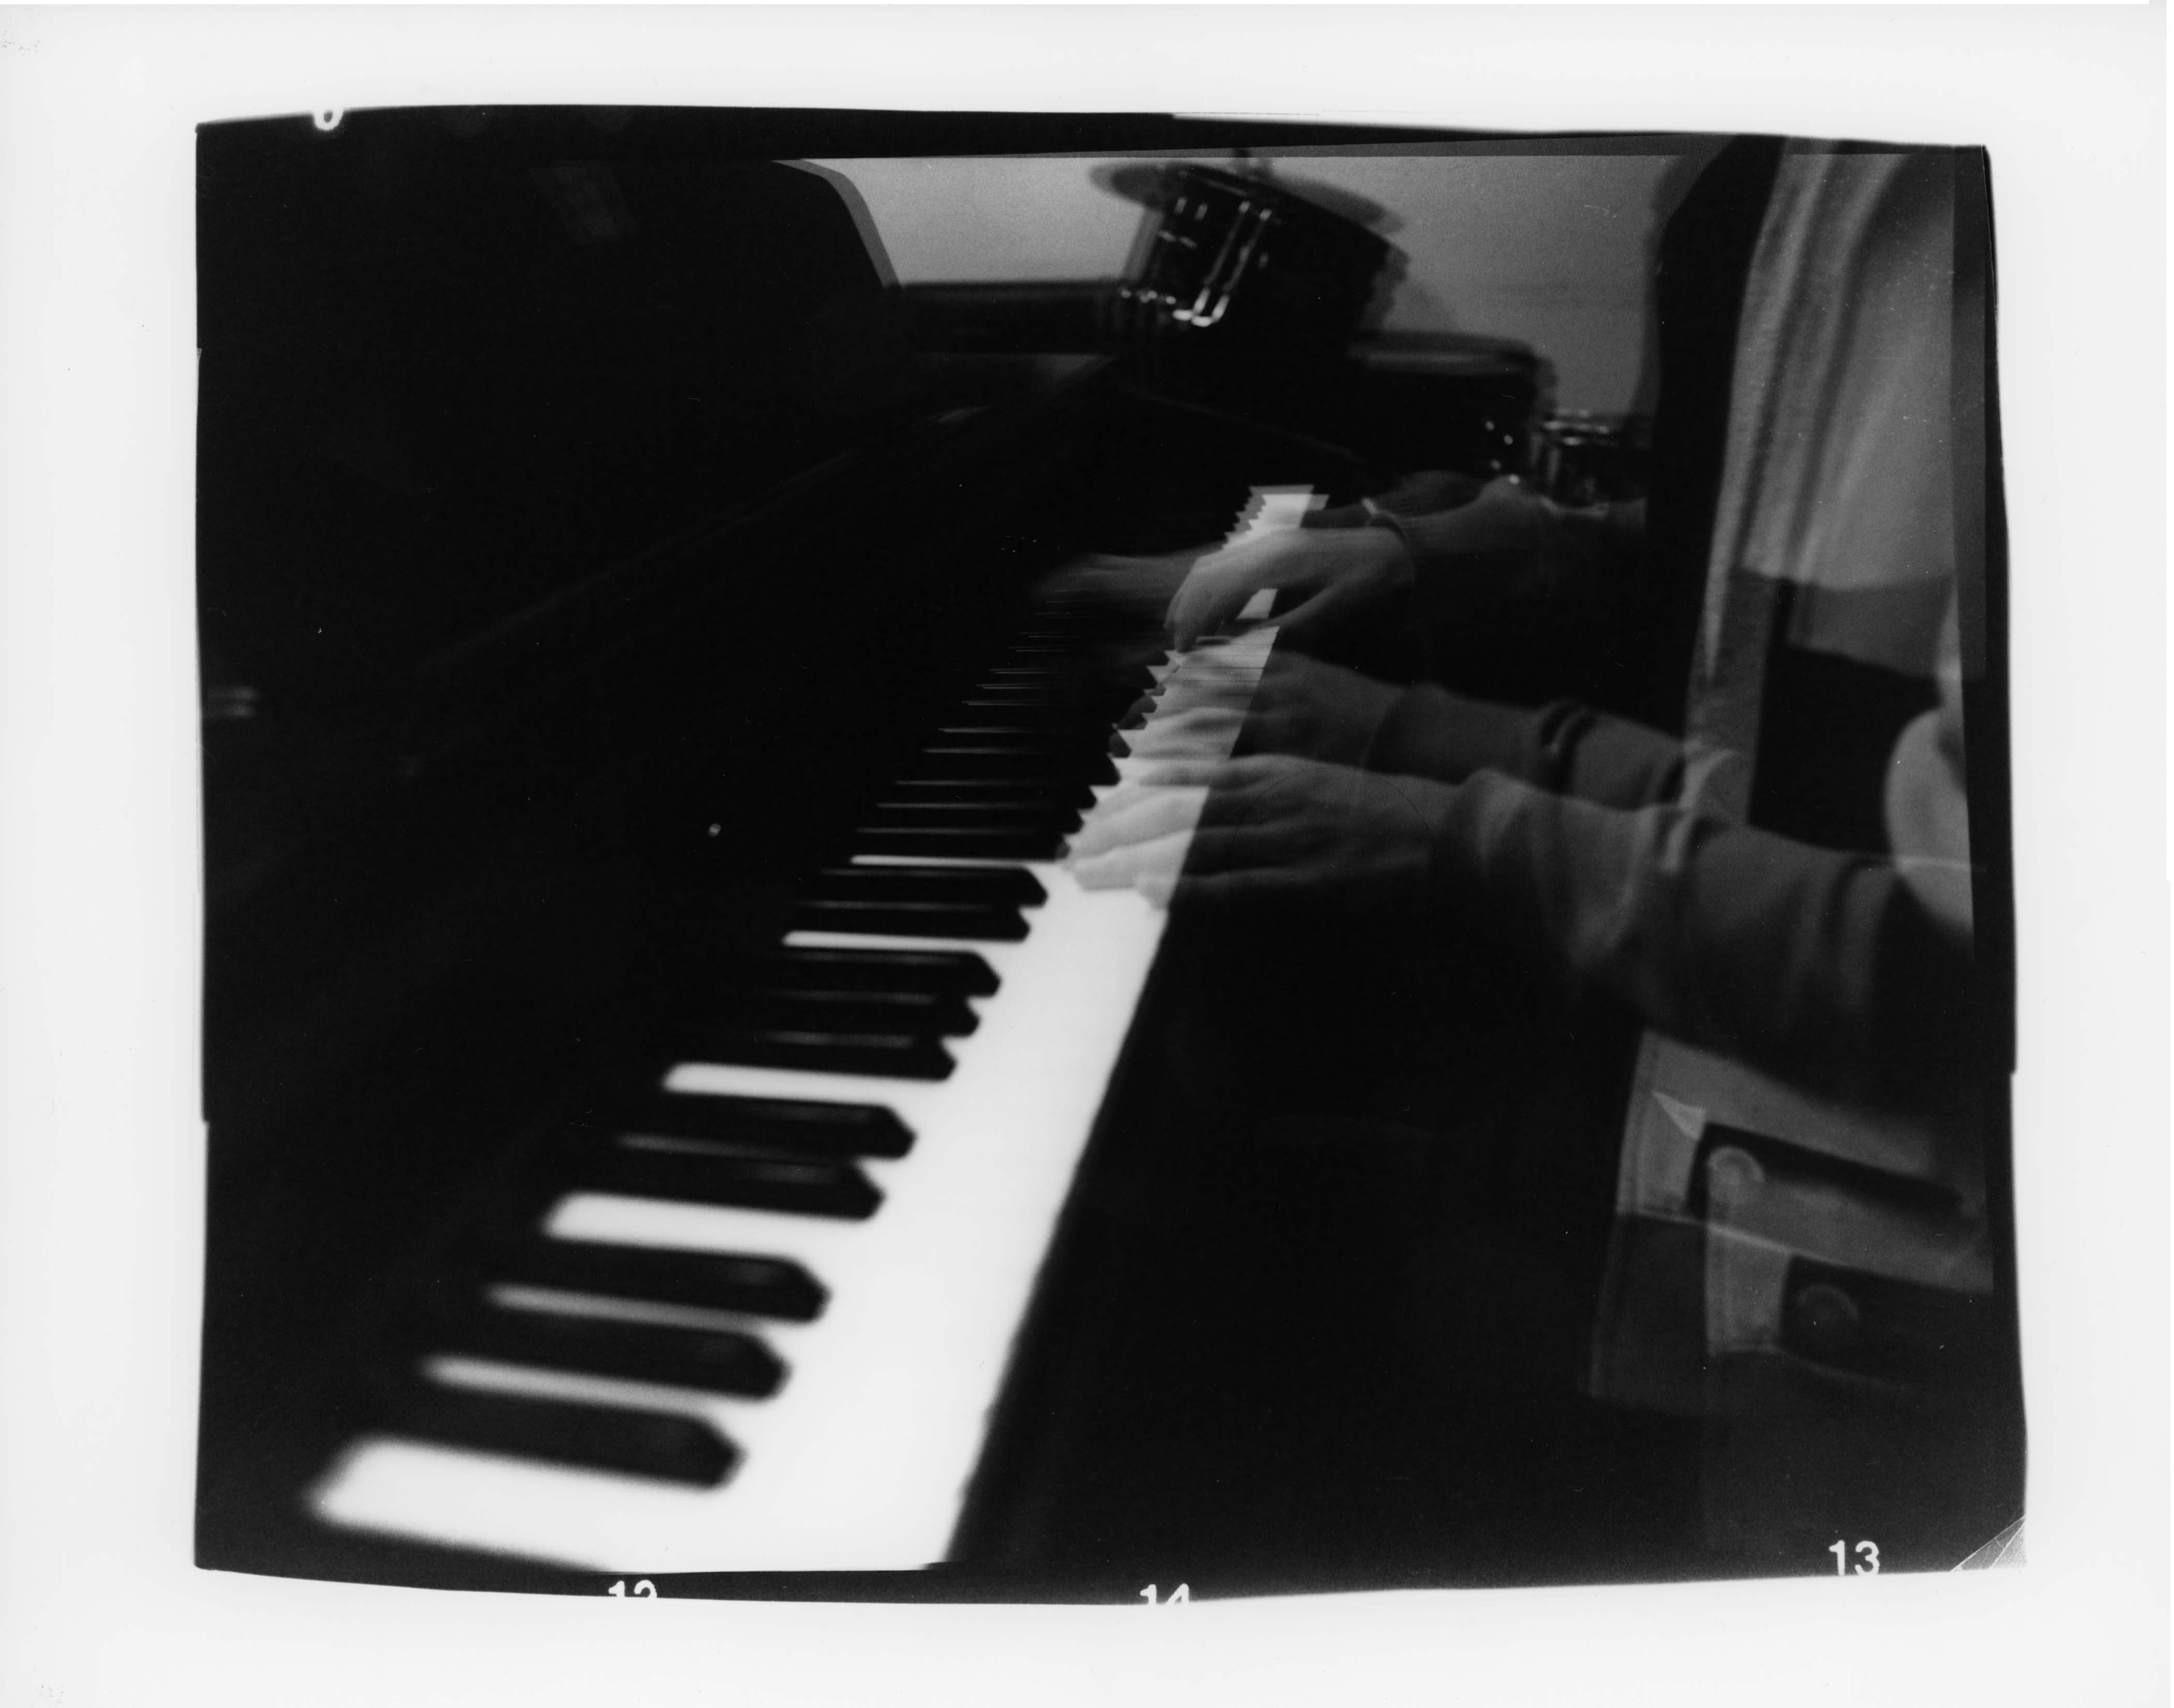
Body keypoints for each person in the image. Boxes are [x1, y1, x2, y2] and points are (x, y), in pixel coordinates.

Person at [1066, 141, 2011, 1563]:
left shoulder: (2016, 162)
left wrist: (1453, 817)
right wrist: (1429, 633)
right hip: (1740, 1153)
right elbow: (1775, 687)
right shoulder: (1818, 155)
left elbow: (1962, 959)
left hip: (1901, 1329)